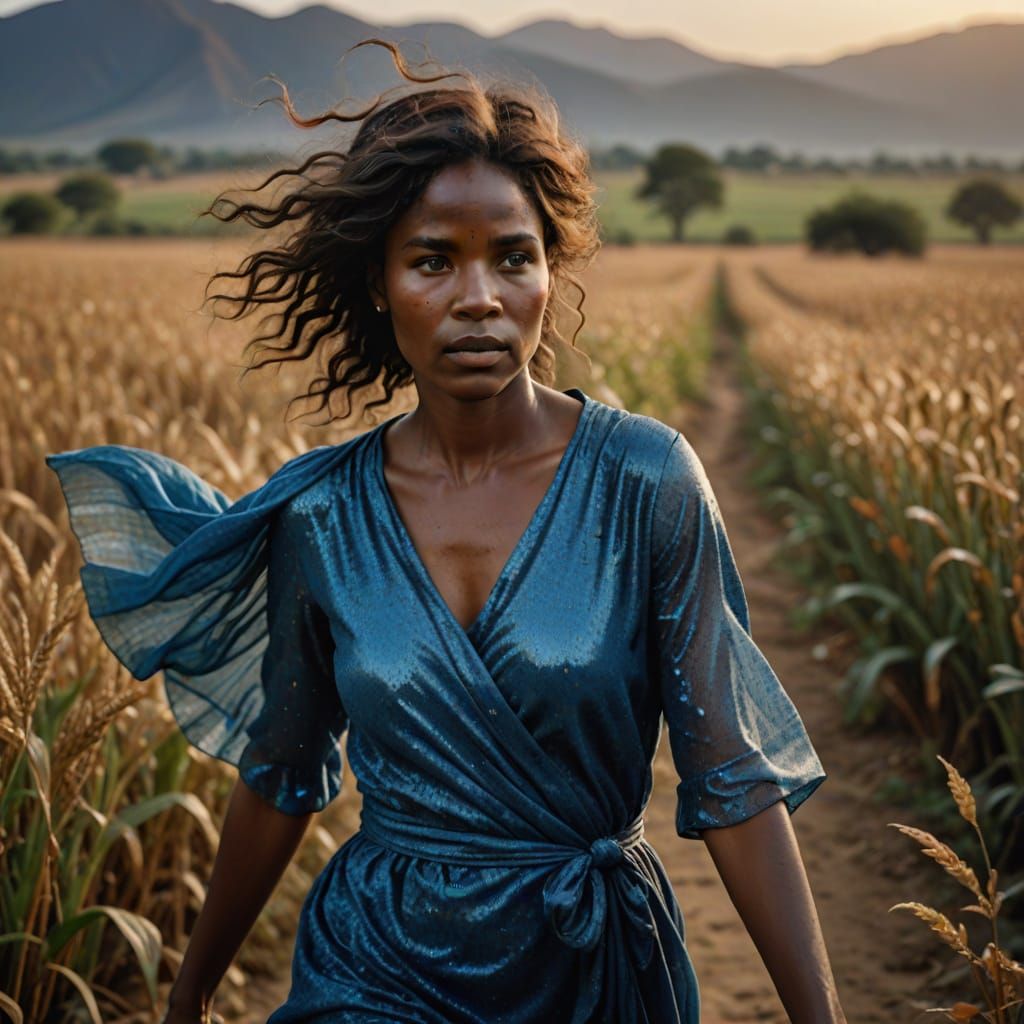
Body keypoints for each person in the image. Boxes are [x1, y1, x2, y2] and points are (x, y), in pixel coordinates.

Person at [47, 39, 846, 1024]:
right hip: (376, 965)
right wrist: (189, 991)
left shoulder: (645, 481)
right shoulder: (325, 513)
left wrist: (819, 1014)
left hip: (588, 965)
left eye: (513, 257)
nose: (479, 299)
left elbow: (731, 777)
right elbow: (283, 769)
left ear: (549, 274)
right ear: (380, 284)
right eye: (434, 260)